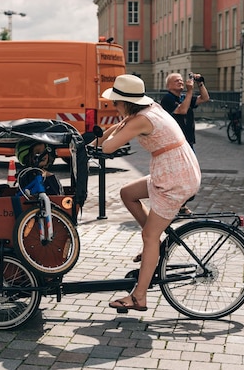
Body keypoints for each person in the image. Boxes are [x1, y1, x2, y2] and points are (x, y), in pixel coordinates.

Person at [96, 74, 201, 313]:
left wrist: (100, 144)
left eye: (115, 102)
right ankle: (155, 242)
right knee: (127, 193)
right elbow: (118, 127)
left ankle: (139, 297)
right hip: (172, 170)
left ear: (125, 103)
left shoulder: (142, 119)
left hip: (175, 177)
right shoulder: (149, 108)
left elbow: (110, 146)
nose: (113, 106)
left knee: (149, 237)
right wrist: (92, 137)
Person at [160, 72, 210, 215]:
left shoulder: (183, 97)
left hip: (188, 142)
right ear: (168, 85)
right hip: (175, 144)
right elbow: (182, 110)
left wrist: (200, 83)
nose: (181, 82)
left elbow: (205, 98)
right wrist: (189, 91)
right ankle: (176, 205)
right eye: (177, 81)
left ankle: (180, 205)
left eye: (182, 80)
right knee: (183, 176)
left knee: (187, 175)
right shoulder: (167, 99)